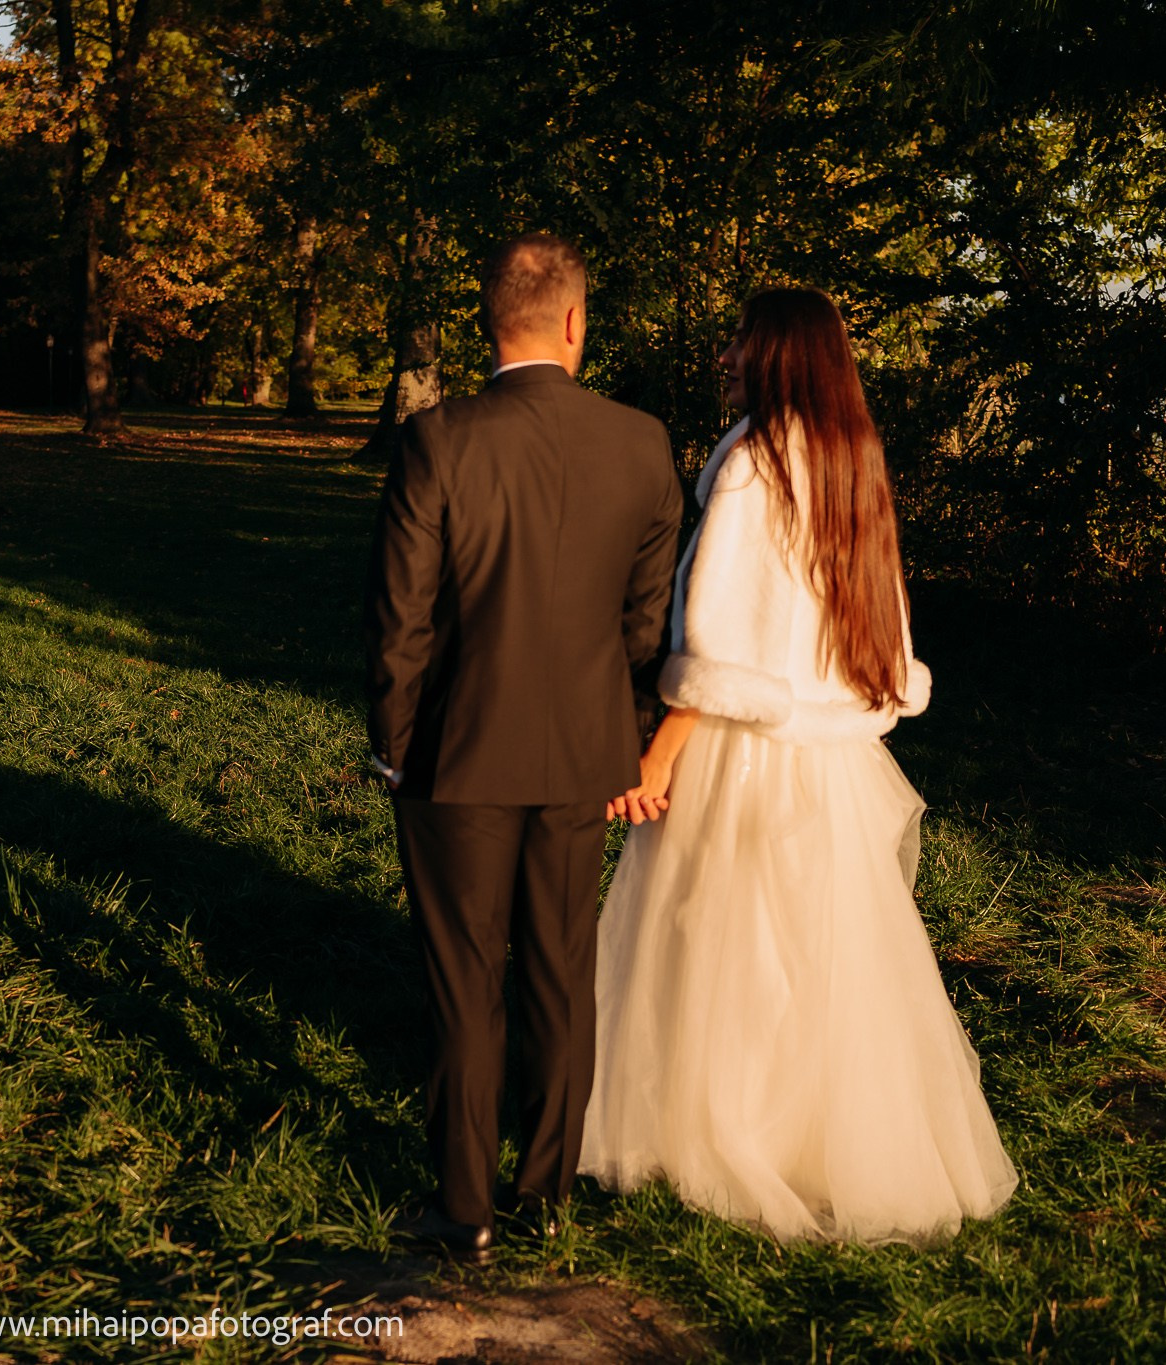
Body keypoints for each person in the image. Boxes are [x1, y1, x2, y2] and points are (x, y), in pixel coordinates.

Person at [579, 287, 1019, 1243]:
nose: (726, 355)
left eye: (741, 341)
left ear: (779, 357)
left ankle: (723, 1133)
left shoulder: (751, 462)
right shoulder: (852, 460)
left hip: (746, 753)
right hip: (829, 754)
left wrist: (656, 752)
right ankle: (822, 1139)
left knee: (716, 941)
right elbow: (871, 632)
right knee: (815, 952)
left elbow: (720, 646)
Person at [365, 232, 683, 1262]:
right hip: (585, 749)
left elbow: (400, 621)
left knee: (465, 976)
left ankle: (465, 1209)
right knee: (559, 969)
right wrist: (622, 726)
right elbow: (645, 620)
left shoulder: (436, 440)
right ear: (575, 322)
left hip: (455, 752)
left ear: (485, 321)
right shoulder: (640, 443)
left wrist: (392, 743)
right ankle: (543, 1190)